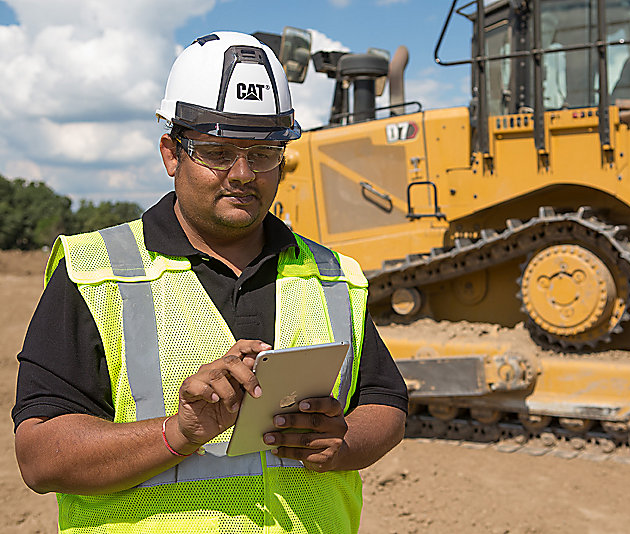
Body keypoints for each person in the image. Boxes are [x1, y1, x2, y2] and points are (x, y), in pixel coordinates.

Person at [13, 32, 408, 533]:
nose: (242, 173)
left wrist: (342, 440)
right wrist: (178, 431)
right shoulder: (96, 271)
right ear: (172, 154)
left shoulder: (333, 276)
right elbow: (41, 456)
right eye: (217, 151)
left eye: (263, 152)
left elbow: (385, 403)